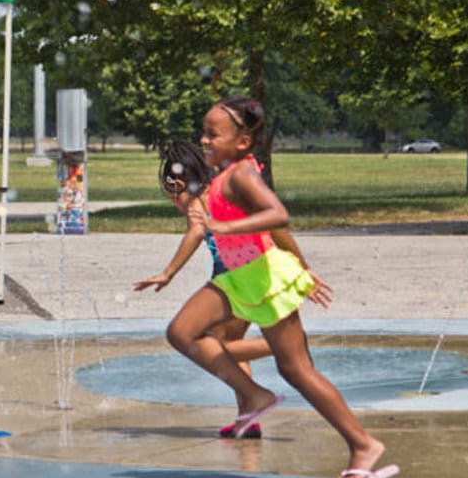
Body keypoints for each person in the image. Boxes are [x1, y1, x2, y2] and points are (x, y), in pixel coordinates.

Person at [163, 97, 398, 478]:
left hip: (265, 279)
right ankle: (252, 396)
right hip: (236, 279)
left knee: (297, 370)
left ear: (241, 142)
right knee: (181, 332)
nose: (203, 140)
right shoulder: (220, 180)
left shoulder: (242, 176)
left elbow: (278, 217)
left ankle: (363, 445)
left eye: (212, 134)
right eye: (203, 132)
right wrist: (168, 272)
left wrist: (226, 231)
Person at [134, 140, 334, 438]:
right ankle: (248, 418)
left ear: (174, 180)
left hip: (236, 277)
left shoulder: (187, 195)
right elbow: (276, 230)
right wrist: (301, 268)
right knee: (227, 344)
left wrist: (168, 273)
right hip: (243, 271)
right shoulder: (218, 190)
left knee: (211, 345)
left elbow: (196, 230)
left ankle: (278, 351)